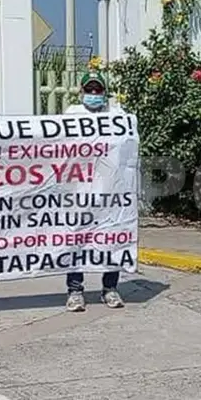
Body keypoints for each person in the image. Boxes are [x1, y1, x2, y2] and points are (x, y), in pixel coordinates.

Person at [63, 72, 125, 312]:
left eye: (98, 90)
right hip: (79, 189)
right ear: (81, 92)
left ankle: (110, 288)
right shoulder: (72, 114)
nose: (94, 94)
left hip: (110, 190)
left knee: (111, 238)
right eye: (90, 90)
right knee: (76, 239)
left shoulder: (116, 116)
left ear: (105, 93)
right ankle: (75, 290)